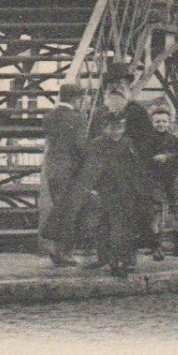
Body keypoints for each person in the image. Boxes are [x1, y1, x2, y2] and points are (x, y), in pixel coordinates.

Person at [72, 112, 148, 277]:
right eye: (113, 128)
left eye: (120, 128)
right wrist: (90, 188)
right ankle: (105, 258)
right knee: (104, 226)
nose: (117, 132)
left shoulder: (127, 143)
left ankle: (123, 260)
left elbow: (136, 168)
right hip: (105, 191)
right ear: (105, 128)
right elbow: (89, 169)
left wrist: (138, 188)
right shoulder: (97, 145)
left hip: (126, 191)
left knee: (123, 226)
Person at [38, 82, 89, 265]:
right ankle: (63, 252)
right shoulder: (77, 117)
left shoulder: (48, 117)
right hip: (70, 170)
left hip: (52, 169)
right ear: (76, 99)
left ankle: (57, 248)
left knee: (60, 208)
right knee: (69, 211)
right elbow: (79, 146)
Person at [147, 103, 178, 259]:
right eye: (157, 121)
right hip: (155, 179)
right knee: (156, 211)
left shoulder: (173, 139)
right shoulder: (148, 139)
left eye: (164, 121)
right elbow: (144, 158)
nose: (161, 124)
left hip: (172, 177)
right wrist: (155, 159)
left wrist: (168, 157)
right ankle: (156, 247)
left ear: (169, 122)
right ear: (152, 122)